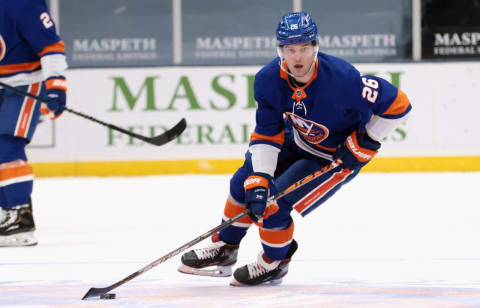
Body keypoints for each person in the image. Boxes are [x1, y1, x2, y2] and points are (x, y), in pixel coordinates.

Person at [178, 12, 412, 286]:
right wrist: (261, 177)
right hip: (298, 138)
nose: (297, 57)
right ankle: (225, 247)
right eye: (290, 49)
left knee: (273, 206)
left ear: (315, 47)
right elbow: (267, 131)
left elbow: (399, 105)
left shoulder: (343, 79)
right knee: (244, 182)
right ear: (281, 51)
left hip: (333, 156)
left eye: (304, 48)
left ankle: (275, 263)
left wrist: (368, 140)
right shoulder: (268, 80)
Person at [0, 0, 68, 246]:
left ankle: (20, 218)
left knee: (7, 145)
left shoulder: (23, 4)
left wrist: (56, 86)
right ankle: (4, 212)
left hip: (24, 84)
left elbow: (51, 47)